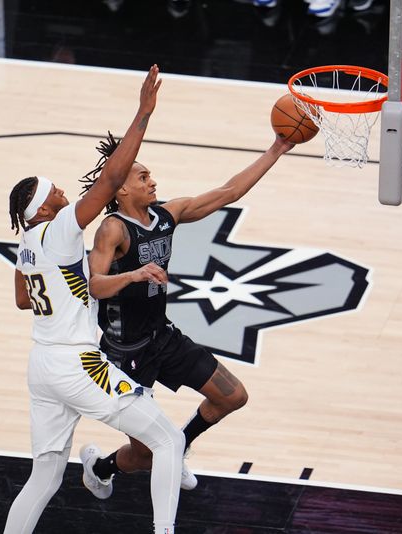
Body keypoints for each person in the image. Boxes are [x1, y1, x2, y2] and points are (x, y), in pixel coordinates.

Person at [3, 65, 184, 534]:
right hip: (75, 361)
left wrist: (70, 281)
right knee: (167, 440)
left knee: (43, 477)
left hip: (41, 364)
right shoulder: (60, 228)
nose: (64, 191)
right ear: (43, 206)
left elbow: (24, 300)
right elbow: (109, 181)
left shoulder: (25, 244)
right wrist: (143, 114)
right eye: (56, 191)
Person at [76, 127, 294, 491]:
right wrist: (133, 275)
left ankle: (180, 446)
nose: (152, 181)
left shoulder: (166, 215)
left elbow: (229, 192)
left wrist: (277, 148)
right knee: (144, 456)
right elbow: (93, 285)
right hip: (124, 355)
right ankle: (100, 469)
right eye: (143, 176)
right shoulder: (112, 231)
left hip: (161, 337)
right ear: (123, 188)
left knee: (233, 396)